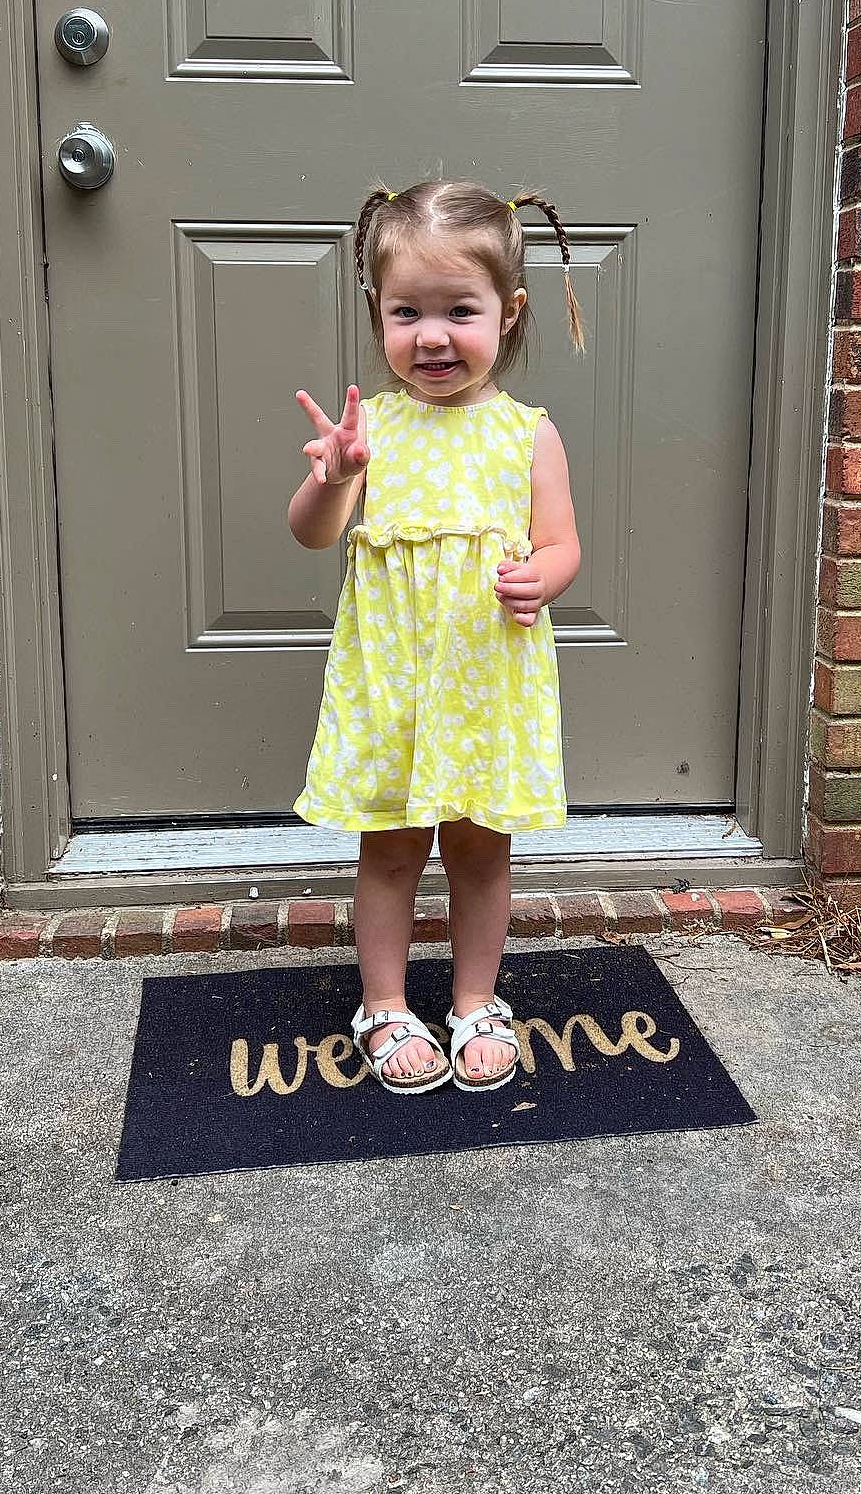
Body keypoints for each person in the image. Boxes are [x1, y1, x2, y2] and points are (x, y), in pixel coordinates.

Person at [288, 179, 584, 1095]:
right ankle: (382, 1001)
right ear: (378, 312)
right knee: (389, 847)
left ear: (510, 311)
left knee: (480, 848)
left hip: (488, 679)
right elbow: (311, 531)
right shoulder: (368, 428)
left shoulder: (527, 436)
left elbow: (563, 542)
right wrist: (335, 476)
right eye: (407, 311)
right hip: (393, 681)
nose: (433, 336)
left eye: (461, 310)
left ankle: (475, 1001)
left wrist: (544, 575)